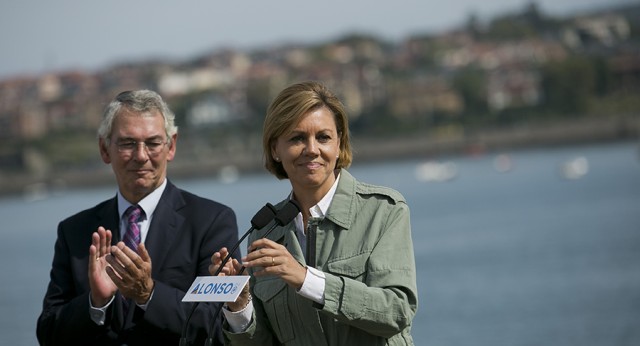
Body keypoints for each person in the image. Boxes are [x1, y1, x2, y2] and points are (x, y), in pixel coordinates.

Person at [210, 81, 418, 345]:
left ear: (339, 142)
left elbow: (397, 312)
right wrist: (239, 305)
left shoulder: (384, 210)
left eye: (323, 137)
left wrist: (305, 279)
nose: (312, 149)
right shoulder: (265, 233)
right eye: (297, 138)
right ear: (275, 149)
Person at [37, 89, 240, 345]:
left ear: (171, 146)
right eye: (127, 143)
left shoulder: (211, 222)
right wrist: (96, 303)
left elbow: (217, 325)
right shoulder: (75, 232)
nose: (141, 155)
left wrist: (149, 294)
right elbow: (47, 333)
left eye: (153, 143)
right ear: (104, 148)